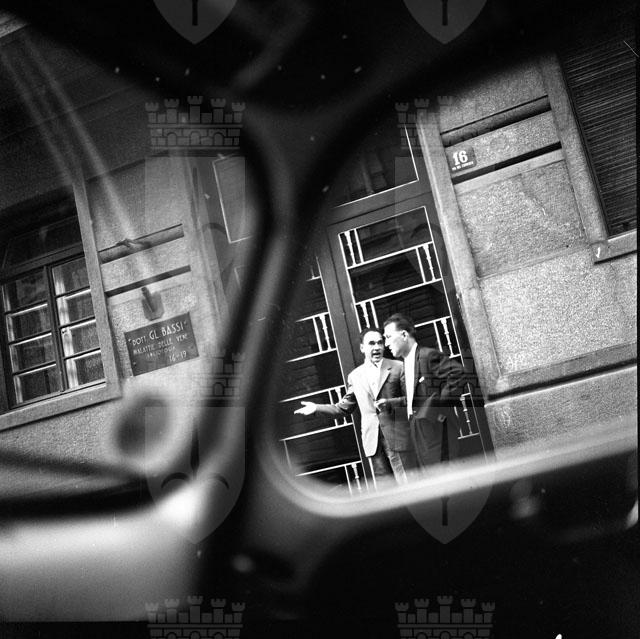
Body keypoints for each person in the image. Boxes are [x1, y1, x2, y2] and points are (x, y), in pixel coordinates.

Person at [294, 327, 416, 484]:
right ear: (362, 348)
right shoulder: (355, 376)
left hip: (399, 438)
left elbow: (412, 400)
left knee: (408, 484)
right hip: (373, 442)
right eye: (371, 343)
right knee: (386, 489)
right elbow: (343, 408)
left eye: (380, 342)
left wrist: (390, 404)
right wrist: (316, 408)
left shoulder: (398, 367)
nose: (377, 347)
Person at [381, 313, 465, 469]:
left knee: (446, 478)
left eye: (388, 337)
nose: (386, 344)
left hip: (438, 432)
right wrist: (391, 403)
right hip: (421, 434)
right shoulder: (407, 362)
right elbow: (417, 398)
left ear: (404, 335)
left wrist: (437, 407)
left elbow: (458, 374)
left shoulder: (427, 355)